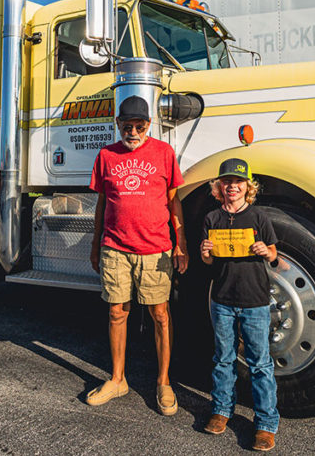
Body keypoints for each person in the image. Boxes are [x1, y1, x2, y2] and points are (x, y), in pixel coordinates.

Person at [87, 95, 189, 416]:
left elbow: (174, 202)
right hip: (115, 247)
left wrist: (180, 243)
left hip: (156, 248)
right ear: (118, 124)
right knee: (117, 312)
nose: (133, 132)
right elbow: (102, 205)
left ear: (149, 125)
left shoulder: (164, 153)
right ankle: (118, 379)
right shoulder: (106, 155)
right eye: (127, 126)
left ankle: (163, 381)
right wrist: (95, 244)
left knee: (160, 314)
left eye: (139, 126)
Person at [199, 158, 280, 452]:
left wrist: (265, 250)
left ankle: (266, 425)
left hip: (255, 300)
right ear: (219, 187)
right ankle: (221, 411)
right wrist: (205, 252)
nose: (232, 187)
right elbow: (208, 262)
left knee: (260, 364)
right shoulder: (212, 219)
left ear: (248, 188)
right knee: (223, 359)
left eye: (238, 182)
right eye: (227, 182)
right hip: (222, 299)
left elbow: (274, 255)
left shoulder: (258, 218)